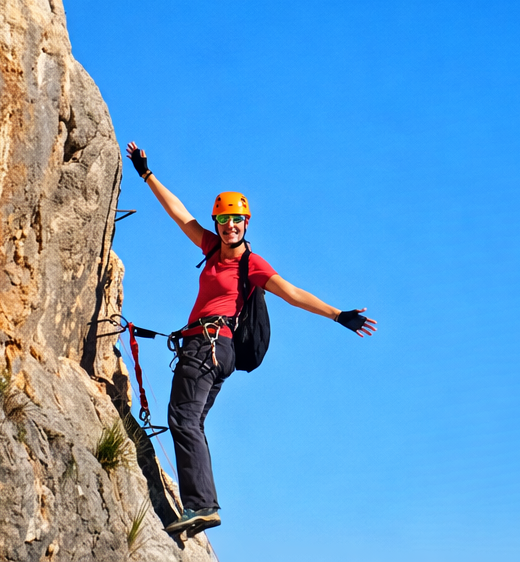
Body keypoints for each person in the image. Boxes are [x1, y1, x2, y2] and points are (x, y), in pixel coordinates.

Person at [126, 141, 377, 538]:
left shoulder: (251, 264)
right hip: (209, 348)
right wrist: (146, 173)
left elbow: (292, 293)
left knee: (183, 417)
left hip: (209, 346)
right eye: (224, 220)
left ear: (247, 224)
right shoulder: (210, 248)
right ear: (218, 222)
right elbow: (179, 214)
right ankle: (202, 501)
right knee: (193, 420)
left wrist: (337, 314)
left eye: (237, 220)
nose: (230, 226)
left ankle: (203, 505)